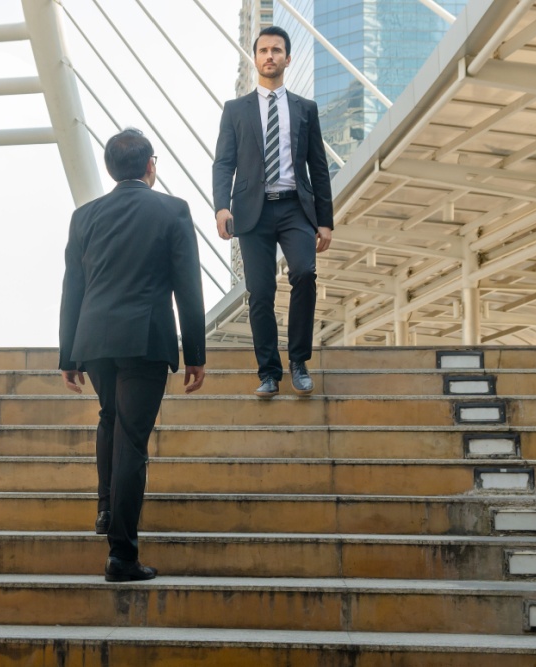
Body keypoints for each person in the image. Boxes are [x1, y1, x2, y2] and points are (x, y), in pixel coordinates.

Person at [59, 128, 206, 582]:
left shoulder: (84, 216)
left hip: (95, 340)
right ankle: (121, 554)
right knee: (132, 442)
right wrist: (195, 353)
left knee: (110, 418)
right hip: (144, 340)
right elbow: (188, 288)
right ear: (150, 166)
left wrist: (68, 355)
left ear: (108, 169)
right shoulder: (173, 209)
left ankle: (106, 508)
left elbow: (73, 289)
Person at [213, 25, 334, 398]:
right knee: (260, 293)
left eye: (276, 50)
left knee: (304, 273)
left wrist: (325, 221)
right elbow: (224, 163)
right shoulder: (235, 110)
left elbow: (318, 165)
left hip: (295, 209)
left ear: (287, 58)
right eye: (263, 50)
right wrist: (220, 207)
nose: (270, 56)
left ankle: (299, 362)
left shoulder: (305, 109)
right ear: (255, 57)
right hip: (252, 212)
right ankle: (269, 372)